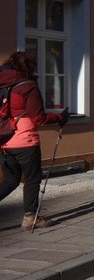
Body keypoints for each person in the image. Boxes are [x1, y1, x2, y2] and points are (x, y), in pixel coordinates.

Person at [0, 52, 70, 229]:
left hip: (3, 141)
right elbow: (38, 118)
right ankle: (31, 217)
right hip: (24, 140)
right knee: (32, 179)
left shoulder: (2, 82)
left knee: (10, 181)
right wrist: (59, 118)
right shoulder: (27, 86)